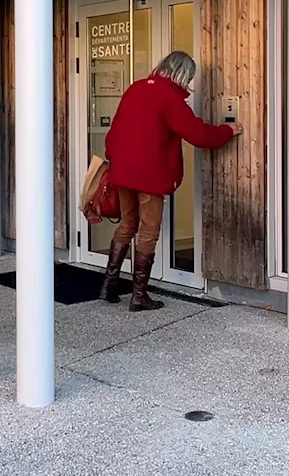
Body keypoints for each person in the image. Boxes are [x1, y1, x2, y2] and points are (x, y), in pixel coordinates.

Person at [101, 50, 243, 311]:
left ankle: (108, 285)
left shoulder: (136, 88)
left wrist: (114, 159)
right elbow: (197, 134)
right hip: (149, 175)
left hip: (122, 170)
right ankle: (139, 296)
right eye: (189, 76)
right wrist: (227, 131)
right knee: (148, 230)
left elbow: (115, 131)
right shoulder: (169, 97)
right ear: (183, 73)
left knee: (127, 224)